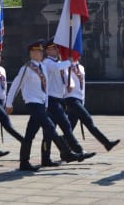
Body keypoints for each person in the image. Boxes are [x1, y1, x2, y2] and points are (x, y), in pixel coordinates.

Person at [6, 39, 84, 171]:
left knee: (30, 133)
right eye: (38, 51)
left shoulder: (43, 67)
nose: (41, 53)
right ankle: (67, 152)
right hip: (32, 103)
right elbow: (16, 85)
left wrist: (46, 103)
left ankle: (24, 162)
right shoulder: (26, 68)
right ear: (31, 53)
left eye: (41, 51)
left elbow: (46, 88)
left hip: (41, 104)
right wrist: (9, 103)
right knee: (50, 128)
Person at [41, 38, 95, 167]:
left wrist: (68, 84)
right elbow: (58, 67)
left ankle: (46, 158)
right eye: (54, 48)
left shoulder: (58, 62)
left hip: (59, 99)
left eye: (56, 48)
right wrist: (69, 61)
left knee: (49, 132)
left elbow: (64, 75)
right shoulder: (47, 62)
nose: (57, 50)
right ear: (48, 50)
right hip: (51, 100)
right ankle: (78, 151)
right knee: (66, 125)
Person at [64, 57, 120, 152]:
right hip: (71, 98)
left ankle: (64, 149)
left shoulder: (81, 67)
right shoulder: (66, 66)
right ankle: (106, 143)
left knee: (71, 126)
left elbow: (83, 86)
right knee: (88, 121)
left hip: (79, 99)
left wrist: (83, 100)